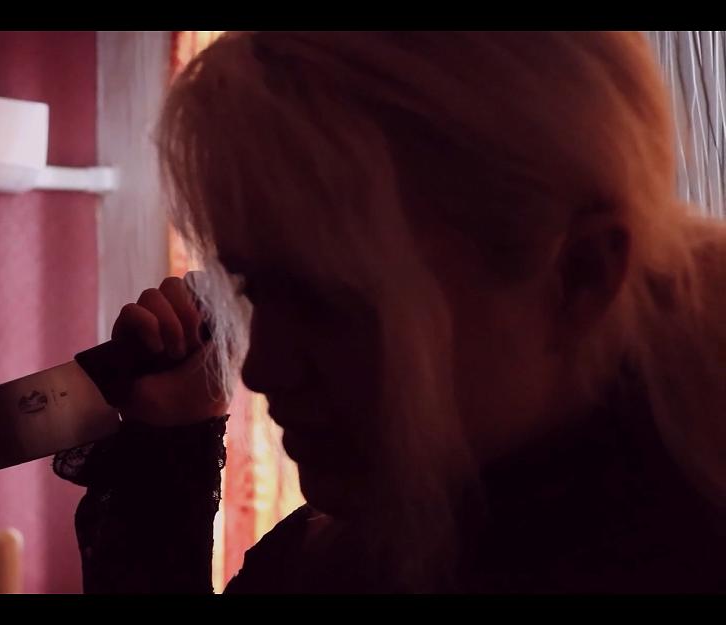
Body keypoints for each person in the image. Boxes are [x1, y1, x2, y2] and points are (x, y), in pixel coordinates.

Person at [54, 31, 726, 593]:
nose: (261, 369)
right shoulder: (383, 538)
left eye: (334, 301)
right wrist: (169, 452)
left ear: (581, 277)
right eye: (257, 288)